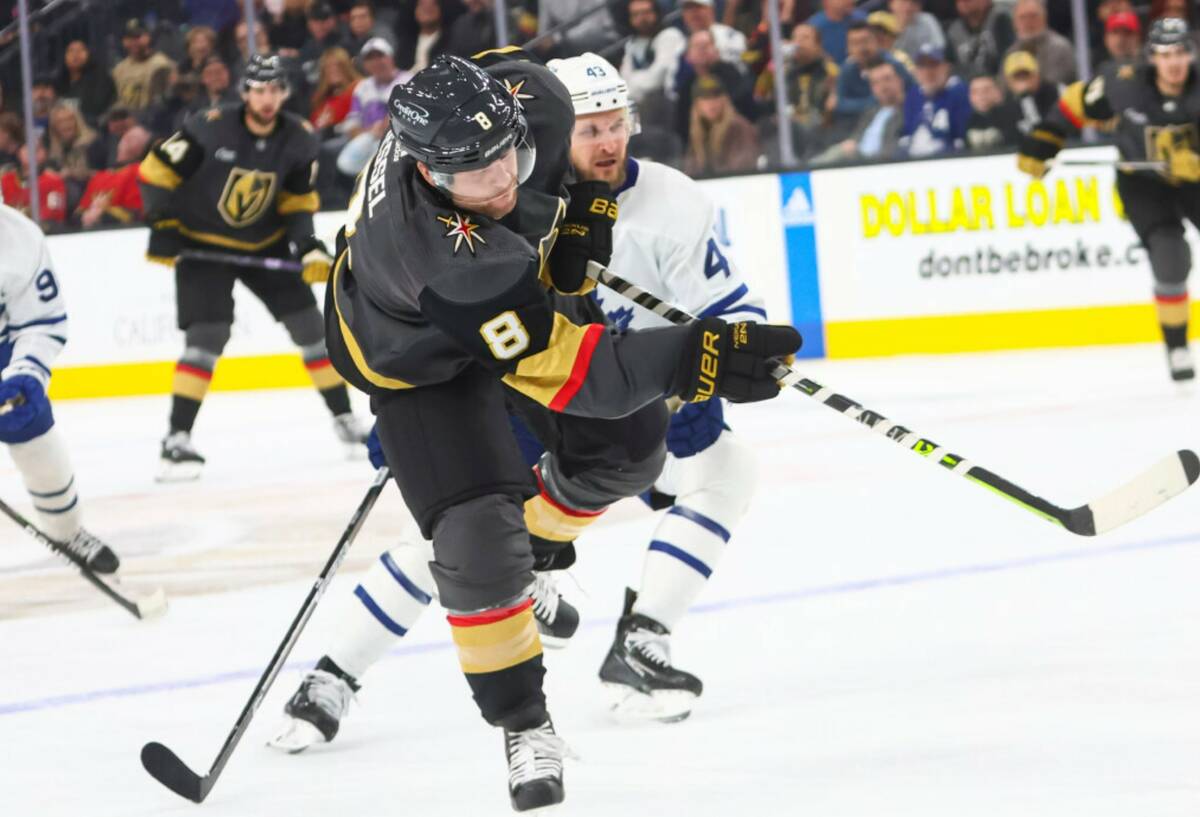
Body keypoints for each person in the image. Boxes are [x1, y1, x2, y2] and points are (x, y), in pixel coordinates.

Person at [275, 52, 800, 811]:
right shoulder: (444, 257)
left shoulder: (530, 96)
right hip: (413, 359)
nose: (501, 182)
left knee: (628, 445)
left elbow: (528, 157)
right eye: (475, 178)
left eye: (510, 158)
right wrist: (695, 356)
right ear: (427, 171)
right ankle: (522, 719)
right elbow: (579, 372)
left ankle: (543, 550)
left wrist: (571, 214)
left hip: (495, 296)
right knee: (471, 538)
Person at [552, 52, 768, 721]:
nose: (609, 139)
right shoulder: (517, 199)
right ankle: (333, 674)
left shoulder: (670, 199)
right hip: (539, 399)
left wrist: (740, 347)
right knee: (441, 536)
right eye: (589, 129)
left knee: (726, 470)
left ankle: (641, 640)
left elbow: (726, 304)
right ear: (552, 131)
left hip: (636, 394)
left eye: (616, 122)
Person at [137, 55, 369, 480]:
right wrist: (164, 223)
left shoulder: (299, 138)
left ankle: (345, 420)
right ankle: (176, 439)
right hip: (201, 244)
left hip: (265, 241)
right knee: (206, 337)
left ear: (284, 93)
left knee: (311, 328)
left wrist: (306, 246)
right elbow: (155, 171)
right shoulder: (208, 126)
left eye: (275, 90)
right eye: (259, 90)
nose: (267, 99)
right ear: (245, 92)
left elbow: (297, 203)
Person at [1018, 17, 1200, 382]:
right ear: (1152, 57)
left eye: (1181, 52)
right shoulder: (1123, 83)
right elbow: (1075, 102)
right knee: (1169, 257)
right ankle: (1177, 346)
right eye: (1165, 54)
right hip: (1143, 182)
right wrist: (1045, 139)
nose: (1174, 62)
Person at [0, 202, 121, 573]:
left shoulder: (17, 237)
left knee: (29, 422)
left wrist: (25, 374)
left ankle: (65, 530)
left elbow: (40, 320)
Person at [335, 37, 408, 177]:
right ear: (365, 64)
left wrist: (385, 128)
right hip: (367, 137)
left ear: (390, 57)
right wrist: (367, 132)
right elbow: (352, 123)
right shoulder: (362, 87)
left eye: (380, 56)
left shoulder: (408, 82)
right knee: (344, 162)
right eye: (370, 58)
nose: (376, 62)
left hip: (398, 141)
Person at [815, 57, 907, 162]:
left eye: (887, 79)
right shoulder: (871, 112)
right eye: (876, 82)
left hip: (876, 164)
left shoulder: (907, 111)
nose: (883, 86)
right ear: (872, 88)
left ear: (900, 80)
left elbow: (891, 150)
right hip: (853, 163)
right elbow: (855, 139)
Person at [900, 43, 970, 156]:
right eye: (922, 66)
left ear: (946, 67)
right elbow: (908, 133)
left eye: (934, 64)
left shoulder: (959, 92)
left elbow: (960, 139)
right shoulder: (913, 94)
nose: (928, 72)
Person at [685, 74, 761, 175]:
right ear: (697, 104)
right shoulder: (698, 133)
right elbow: (691, 170)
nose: (711, 104)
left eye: (716, 97)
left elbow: (742, 169)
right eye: (705, 99)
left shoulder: (739, 128)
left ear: (725, 100)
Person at [77, 125, 150, 228]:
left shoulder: (139, 171)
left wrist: (102, 215)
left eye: (132, 139)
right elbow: (79, 213)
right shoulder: (98, 176)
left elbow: (136, 212)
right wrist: (87, 215)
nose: (125, 142)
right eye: (126, 138)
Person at [619, 0, 686, 110]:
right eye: (636, 14)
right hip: (641, 108)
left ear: (657, 13)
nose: (642, 18)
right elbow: (623, 81)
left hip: (668, 105)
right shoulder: (632, 44)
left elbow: (658, 77)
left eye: (646, 12)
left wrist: (634, 82)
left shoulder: (670, 35)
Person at [111, 18, 177, 113]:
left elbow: (164, 104)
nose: (133, 42)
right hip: (124, 120)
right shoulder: (119, 68)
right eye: (128, 38)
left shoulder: (162, 65)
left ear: (148, 37)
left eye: (137, 37)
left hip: (152, 120)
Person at [1006, 0, 1076, 86]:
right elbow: (1004, 86)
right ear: (1014, 23)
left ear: (1044, 18)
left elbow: (1053, 84)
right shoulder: (1011, 52)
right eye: (1022, 17)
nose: (1028, 22)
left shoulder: (1059, 47)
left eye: (1033, 16)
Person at [1, 143, 68, 226]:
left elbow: (56, 213)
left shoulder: (54, 181)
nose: (33, 151)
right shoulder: (5, 180)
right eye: (27, 147)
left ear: (44, 153)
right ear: (19, 152)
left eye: (38, 148)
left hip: (43, 230)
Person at [54, 40, 117, 126]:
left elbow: (98, 109)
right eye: (71, 51)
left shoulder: (102, 79)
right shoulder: (58, 82)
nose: (75, 55)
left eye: (81, 50)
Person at [946, 0, 1015, 78]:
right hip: (968, 86)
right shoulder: (954, 31)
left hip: (999, 80)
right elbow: (950, 67)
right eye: (959, 1)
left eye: (967, 1)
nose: (963, 3)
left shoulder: (1001, 19)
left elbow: (1009, 56)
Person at [1002, 50, 1058, 134]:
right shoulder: (1007, 102)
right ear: (1009, 82)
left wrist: (1026, 97)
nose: (1023, 82)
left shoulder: (1054, 94)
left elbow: (1044, 132)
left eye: (1026, 76)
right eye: (1017, 77)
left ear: (1037, 76)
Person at [964, 72, 1019, 149]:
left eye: (986, 90)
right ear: (970, 97)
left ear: (998, 92)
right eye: (975, 92)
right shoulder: (965, 121)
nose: (981, 96)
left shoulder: (1015, 117)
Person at [1096, 11, 1142, 75]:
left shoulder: (1150, 71)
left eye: (1127, 33)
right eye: (1115, 32)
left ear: (1138, 37)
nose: (1120, 39)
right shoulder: (1100, 72)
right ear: (1106, 38)